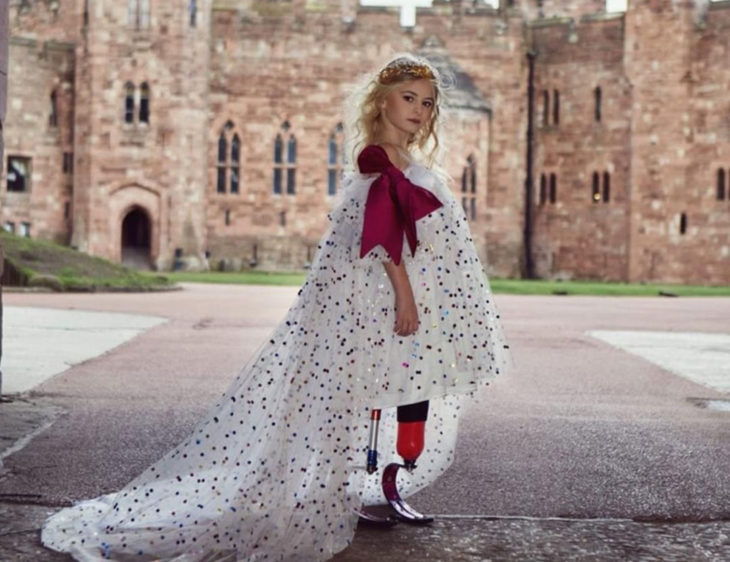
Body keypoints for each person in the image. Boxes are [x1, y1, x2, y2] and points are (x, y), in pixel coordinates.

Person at [41, 53, 511, 562]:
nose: (419, 110)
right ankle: (352, 484)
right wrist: (404, 294)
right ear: (381, 101)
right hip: (383, 299)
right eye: (408, 98)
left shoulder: (408, 164)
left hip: (405, 297)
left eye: (427, 102)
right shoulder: (381, 163)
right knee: (372, 388)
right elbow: (383, 237)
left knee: (406, 388)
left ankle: (380, 483)